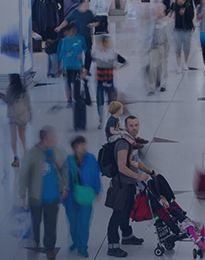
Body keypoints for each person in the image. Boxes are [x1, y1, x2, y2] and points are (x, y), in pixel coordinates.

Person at [104, 116, 154, 258]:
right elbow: (121, 167)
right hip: (122, 185)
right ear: (125, 127)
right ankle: (112, 246)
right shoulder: (122, 144)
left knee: (126, 212)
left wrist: (148, 171)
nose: (135, 128)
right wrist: (139, 177)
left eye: (136, 125)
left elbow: (135, 160)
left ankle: (127, 236)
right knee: (118, 214)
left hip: (129, 184)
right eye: (131, 125)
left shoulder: (131, 142)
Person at [16, 126, 69, 260]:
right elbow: (23, 174)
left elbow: (65, 169)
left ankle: (49, 248)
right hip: (36, 197)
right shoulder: (32, 154)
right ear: (46, 138)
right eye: (53, 136)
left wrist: (65, 187)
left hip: (53, 196)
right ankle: (35, 242)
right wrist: (22, 193)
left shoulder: (58, 151)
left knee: (51, 225)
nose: (55, 139)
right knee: (35, 223)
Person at [62, 136, 101, 257]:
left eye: (84, 144)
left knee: (84, 223)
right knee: (73, 224)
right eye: (80, 145)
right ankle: (75, 241)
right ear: (74, 148)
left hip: (86, 196)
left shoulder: (91, 159)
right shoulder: (69, 160)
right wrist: (62, 189)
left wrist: (97, 190)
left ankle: (82, 247)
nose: (83, 147)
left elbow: (96, 176)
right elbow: (63, 176)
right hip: (71, 197)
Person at [0, 74, 33, 167]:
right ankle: (26, 155)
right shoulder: (23, 89)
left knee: (14, 138)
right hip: (23, 115)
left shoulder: (11, 88)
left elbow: (9, 101)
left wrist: (1, 96)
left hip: (13, 116)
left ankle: (16, 158)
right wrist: (30, 116)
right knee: (23, 137)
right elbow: (28, 103)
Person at [92, 35, 128, 123]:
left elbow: (124, 61)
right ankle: (101, 119)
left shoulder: (112, 54)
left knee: (111, 102)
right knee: (100, 101)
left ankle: (109, 119)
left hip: (109, 81)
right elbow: (89, 61)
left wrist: (117, 68)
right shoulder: (97, 54)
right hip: (100, 81)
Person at [58, 26, 90, 122]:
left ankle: (76, 97)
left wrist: (82, 55)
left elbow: (85, 48)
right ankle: (69, 100)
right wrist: (61, 65)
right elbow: (62, 53)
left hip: (77, 65)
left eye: (74, 29)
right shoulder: (66, 40)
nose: (73, 31)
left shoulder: (80, 39)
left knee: (76, 82)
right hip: (68, 65)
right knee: (67, 83)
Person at [55, 0, 98, 71]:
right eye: (85, 3)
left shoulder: (89, 13)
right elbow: (67, 21)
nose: (87, 5)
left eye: (88, 3)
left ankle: (87, 69)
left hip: (87, 37)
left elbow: (96, 21)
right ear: (81, 4)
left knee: (88, 54)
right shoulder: (76, 13)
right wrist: (59, 27)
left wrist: (94, 24)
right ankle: (79, 68)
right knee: (77, 53)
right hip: (78, 38)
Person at [145, 6, 171, 95]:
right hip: (154, 47)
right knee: (153, 67)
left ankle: (163, 85)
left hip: (163, 47)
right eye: (156, 10)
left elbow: (169, 36)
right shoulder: (152, 21)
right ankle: (151, 87)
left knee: (163, 67)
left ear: (163, 11)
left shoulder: (167, 21)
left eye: (159, 10)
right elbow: (149, 34)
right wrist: (148, 47)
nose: (158, 11)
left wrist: (168, 49)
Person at [167, 0, 195, 74]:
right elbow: (170, 12)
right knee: (177, 48)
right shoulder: (175, 3)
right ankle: (179, 66)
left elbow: (192, 15)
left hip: (187, 29)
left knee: (187, 47)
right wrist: (165, 21)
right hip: (177, 29)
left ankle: (185, 62)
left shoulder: (189, 3)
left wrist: (185, 12)